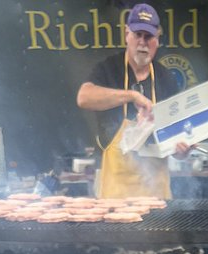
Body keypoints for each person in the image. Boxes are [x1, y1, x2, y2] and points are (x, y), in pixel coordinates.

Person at [77, 4, 186, 199]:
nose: (143, 42)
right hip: (116, 193)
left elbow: (176, 142)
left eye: (149, 36)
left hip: (156, 195)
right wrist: (130, 96)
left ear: (157, 39)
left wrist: (182, 150)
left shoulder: (166, 78)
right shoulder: (108, 69)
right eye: (138, 35)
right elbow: (84, 98)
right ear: (127, 34)